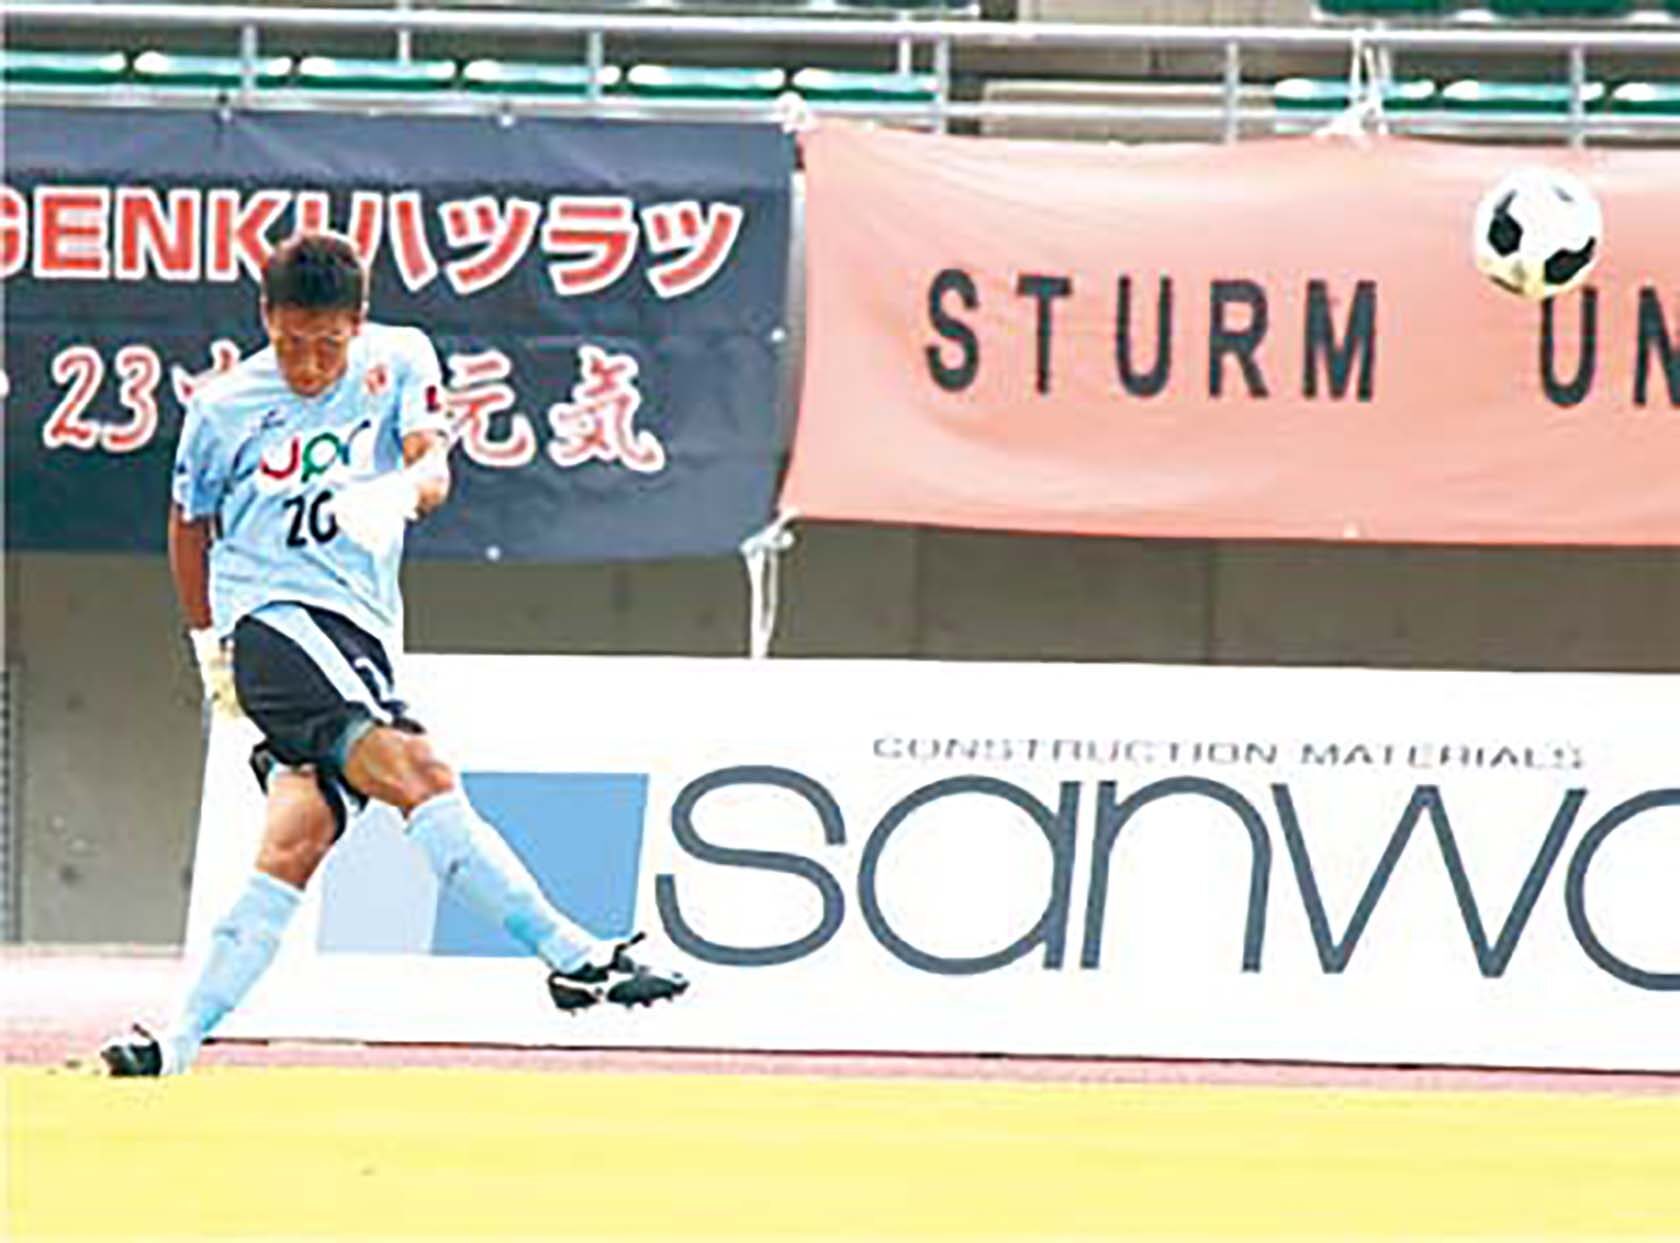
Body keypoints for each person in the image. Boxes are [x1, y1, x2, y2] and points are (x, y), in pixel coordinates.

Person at [99, 231, 687, 1077]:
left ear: (359, 323)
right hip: (274, 622)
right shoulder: (223, 407)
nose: (308, 363)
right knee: (422, 771)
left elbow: (433, 466)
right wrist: (207, 647)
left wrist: (400, 493)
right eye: (290, 342)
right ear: (264, 317)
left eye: (327, 344)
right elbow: (189, 525)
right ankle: (573, 954)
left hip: (361, 631)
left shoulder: (400, 359)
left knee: (294, 842)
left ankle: (175, 1044)